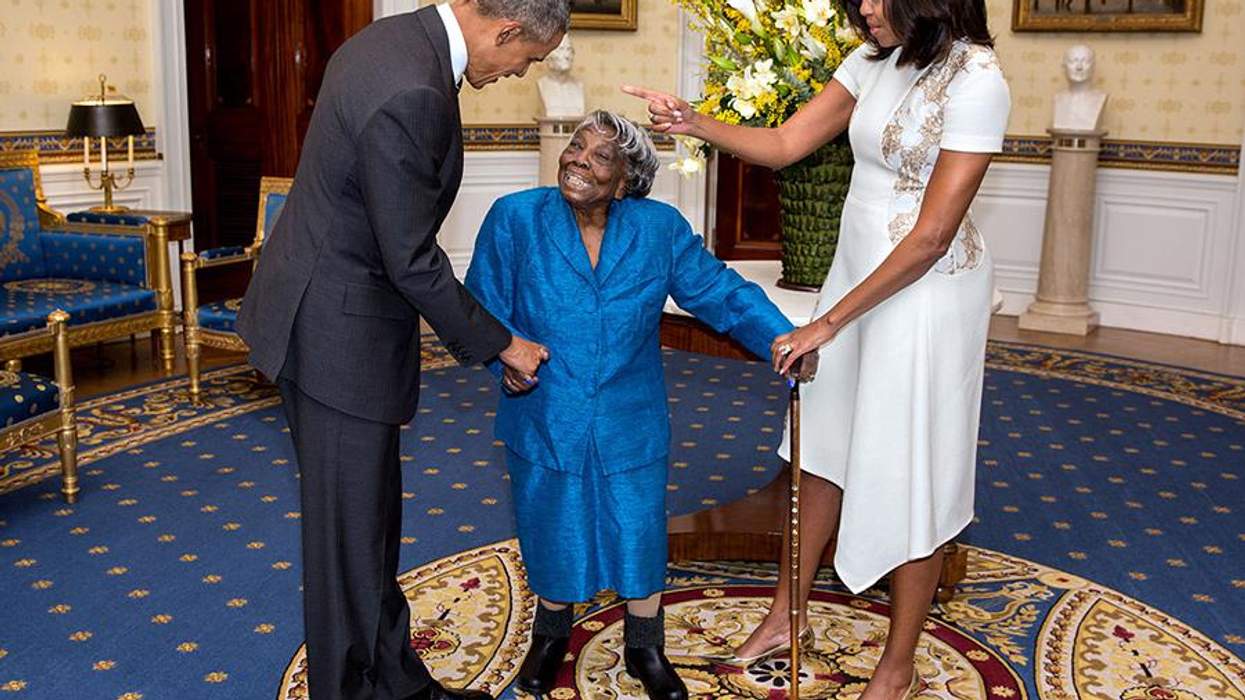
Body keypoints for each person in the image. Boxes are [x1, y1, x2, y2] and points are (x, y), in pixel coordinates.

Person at [625, 0, 1011, 696]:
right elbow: (785, 143)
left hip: (925, 299)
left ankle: (896, 665)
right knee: (819, 449)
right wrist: (693, 121)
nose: (864, 8)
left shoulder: (978, 79)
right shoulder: (871, 60)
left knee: (914, 472)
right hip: (855, 273)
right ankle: (785, 617)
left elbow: (930, 237)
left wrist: (827, 322)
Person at [236, 2, 568, 698]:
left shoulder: (393, 37)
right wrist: (503, 344)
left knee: (366, 531)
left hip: (325, 308)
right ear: (506, 30)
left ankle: (397, 684)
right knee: (347, 546)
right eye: (528, 58)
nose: (520, 72)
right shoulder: (414, 87)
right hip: (335, 334)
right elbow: (411, 260)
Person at [464, 110, 794, 700]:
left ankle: (645, 645)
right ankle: (550, 634)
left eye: (600, 157)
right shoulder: (515, 217)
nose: (578, 160)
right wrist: (502, 362)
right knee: (551, 524)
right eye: (576, 146)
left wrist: (782, 338)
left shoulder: (658, 229)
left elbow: (719, 292)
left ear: (624, 183)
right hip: (544, 410)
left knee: (638, 531)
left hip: (630, 415)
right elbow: (481, 306)